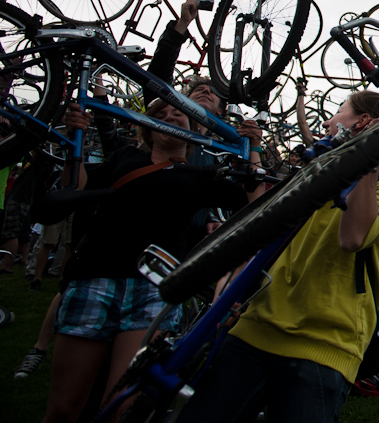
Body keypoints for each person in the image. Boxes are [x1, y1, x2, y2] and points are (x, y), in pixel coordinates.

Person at [176, 90, 379, 422]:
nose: (328, 121)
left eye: (338, 111)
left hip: (323, 345)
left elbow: (352, 236)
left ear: (363, 122)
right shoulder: (319, 170)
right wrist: (254, 150)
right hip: (255, 328)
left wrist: (370, 154)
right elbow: (265, 219)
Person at [40, 99, 257, 423]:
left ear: (195, 130)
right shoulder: (125, 158)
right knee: (64, 407)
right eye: (159, 114)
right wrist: (76, 135)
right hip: (96, 278)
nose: (169, 115)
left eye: (178, 113)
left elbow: (253, 197)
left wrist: (252, 145)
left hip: (153, 290)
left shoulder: (199, 175)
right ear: (149, 131)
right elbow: (78, 187)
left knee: (121, 408)